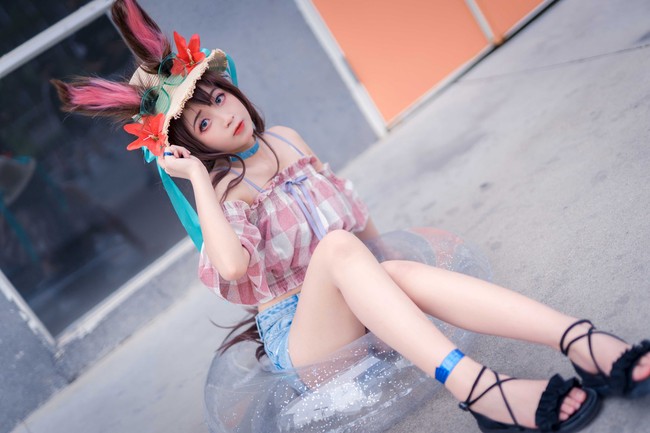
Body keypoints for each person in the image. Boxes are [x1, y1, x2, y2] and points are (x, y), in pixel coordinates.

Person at [51, 1, 649, 431]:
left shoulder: (287, 139)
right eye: (203, 122)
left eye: (218, 96)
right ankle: (482, 391)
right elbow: (232, 266)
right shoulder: (227, 191)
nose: (224, 113)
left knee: (382, 264)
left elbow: (356, 222)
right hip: (307, 340)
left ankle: (580, 339)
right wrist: (197, 182)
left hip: (359, 300)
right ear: (194, 147)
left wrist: (400, 271)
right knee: (339, 250)